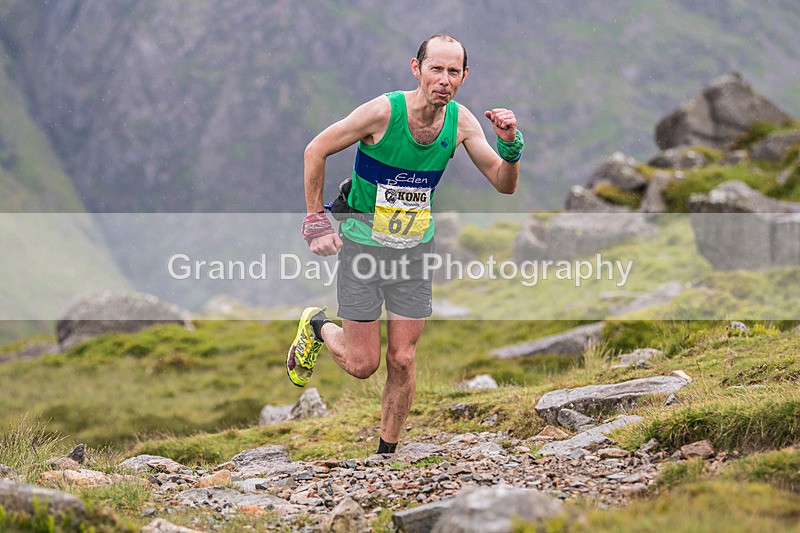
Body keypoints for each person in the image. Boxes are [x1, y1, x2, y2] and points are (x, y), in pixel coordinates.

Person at [287, 33, 523, 454]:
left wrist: (510, 145)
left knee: (403, 358)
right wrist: (315, 221)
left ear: (464, 76)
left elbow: (503, 184)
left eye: (454, 72)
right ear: (417, 69)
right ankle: (318, 325)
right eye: (436, 69)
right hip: (362, 246)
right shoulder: (383, 112)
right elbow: (315, 149)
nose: (444, 80)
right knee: (363, 364)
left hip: (414, 252)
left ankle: (386, 455)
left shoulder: (462, 122)